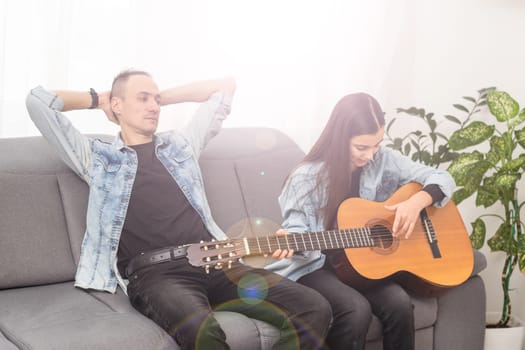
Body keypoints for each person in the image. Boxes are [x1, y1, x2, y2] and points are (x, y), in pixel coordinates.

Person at [26, 69, 331, 350]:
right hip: (158, 275)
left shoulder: (181, 146)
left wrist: (160, 98)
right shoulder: (98, 158)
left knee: (314, 307)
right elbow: (38, 102)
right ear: (117, 105)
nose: (154, 107)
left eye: (155, 99)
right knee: (202, 330)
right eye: (142, 99)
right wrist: (99, 99)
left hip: (218, 260)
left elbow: (225, 87)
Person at [266, 92, 456, 350]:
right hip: (318, 266)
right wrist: (292, 239)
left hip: (364, 264)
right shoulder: (305, 177)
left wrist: (416, 202)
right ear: (339, 139)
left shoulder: (383, 160)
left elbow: (442, 178)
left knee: (399, 303)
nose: (370, 155)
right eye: (361, 147)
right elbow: (298, 230)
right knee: (356, 309)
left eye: (376, 145)